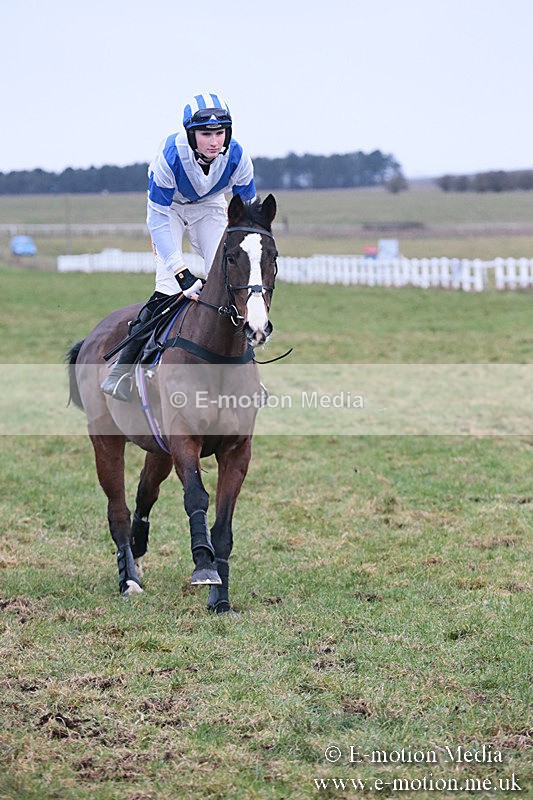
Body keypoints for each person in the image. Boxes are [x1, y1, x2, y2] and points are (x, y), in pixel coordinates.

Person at [101, 92, 257, 401]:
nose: (214, 141)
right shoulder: (170, 157)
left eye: (219, 133)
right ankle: (124, 367)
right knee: (168, 285)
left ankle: (246, 371)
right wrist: (181, 273)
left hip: (211, 206)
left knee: (230, 280)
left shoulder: (238, 157)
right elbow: (157, 218)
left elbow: (249, 215)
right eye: (205, 134)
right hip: (168, 209)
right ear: (190, 134)